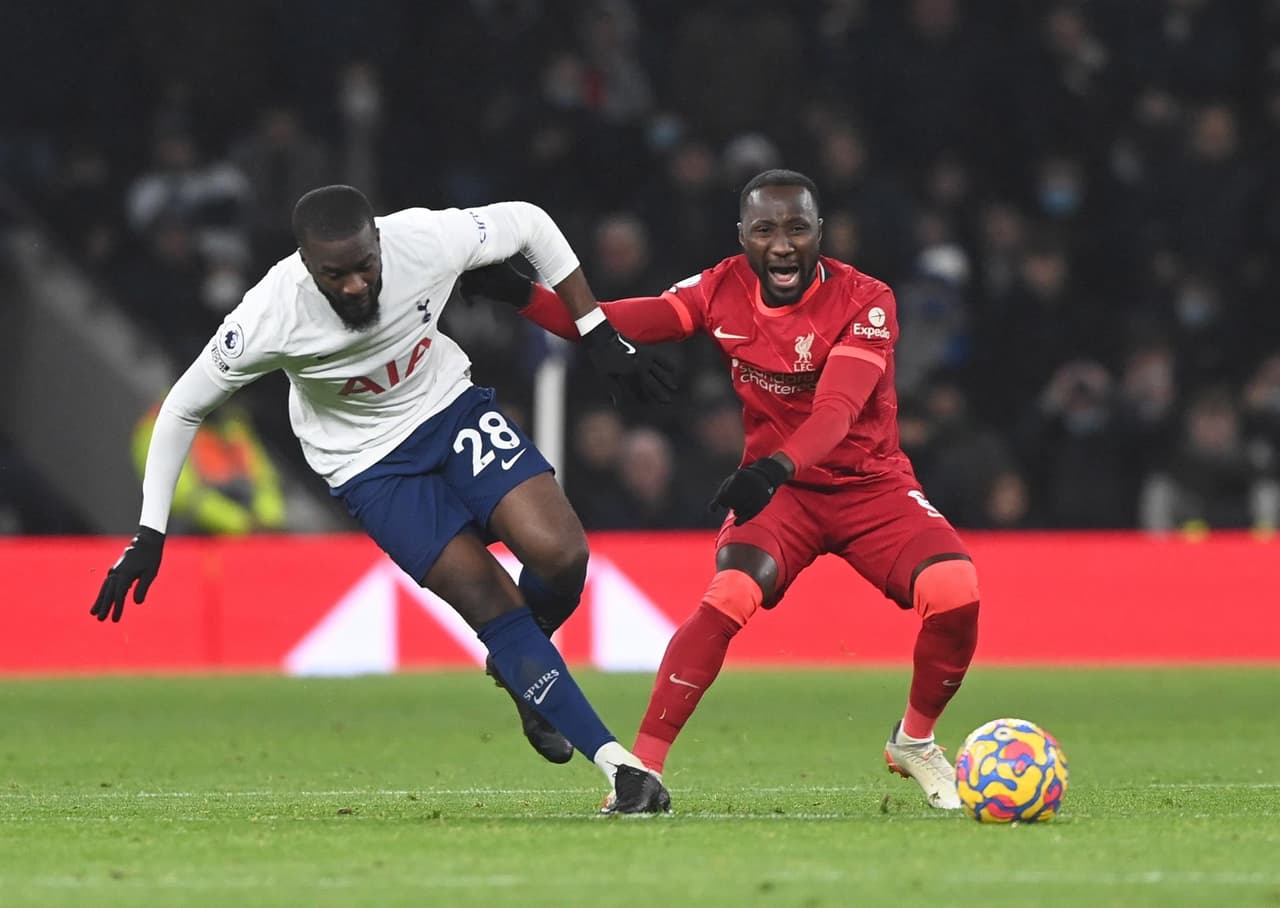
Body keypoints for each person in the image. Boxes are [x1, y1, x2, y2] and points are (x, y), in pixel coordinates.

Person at [90, 185, 675, 815]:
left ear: (378, 241)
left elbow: (530, 222)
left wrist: (595, 328)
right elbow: (181, 407)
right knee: (488, 600)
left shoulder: (423, 241)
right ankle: (619, 769)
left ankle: (523, 670)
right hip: (367, 466)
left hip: (449, 408)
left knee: (562, 554)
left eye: (364, 267)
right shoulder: (269, 314)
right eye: (333, 275)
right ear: (306, 266)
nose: (353, 286)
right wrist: (150, 531)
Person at [462, 169, 981, 810]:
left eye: (797, 228)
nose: (783, 245)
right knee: (730, 593)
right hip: (781, 496)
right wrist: (521, 293)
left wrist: (772, 468)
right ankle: (643, 771)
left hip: (866, 485)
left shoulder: (866, 301)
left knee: (955, 590)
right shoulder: (719, 288)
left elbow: (837, 412)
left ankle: (914, 740)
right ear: (743, 237)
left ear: (821, 233)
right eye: (765, 230)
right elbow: (606, 324)